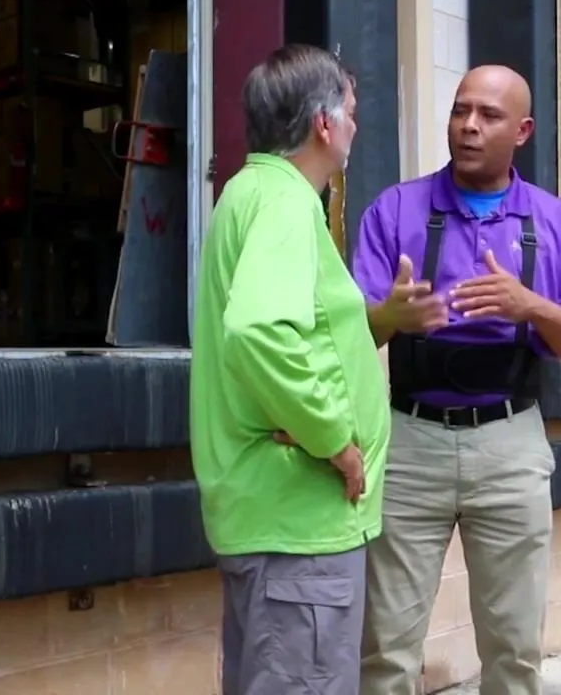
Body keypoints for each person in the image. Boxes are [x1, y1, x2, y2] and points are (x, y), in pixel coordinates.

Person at [353, 64, 561, 695]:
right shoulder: (396, 210)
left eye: (488, 115)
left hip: (510, 443)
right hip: (409, 439)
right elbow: (345, 334)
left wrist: (532, 307)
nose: (468, 126)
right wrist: (390, 318)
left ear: (522, 131)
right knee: (385, 648)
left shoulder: (556, 224)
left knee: (515, 649)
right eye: (460, 110)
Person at [189, 43, 391, 695]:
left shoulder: (247, 193)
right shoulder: (284, 203)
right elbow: (259, 329)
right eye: (351, 111)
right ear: (323, 124)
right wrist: (333, 439)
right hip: (298, 527)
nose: (356, 125)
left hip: (273, 518)